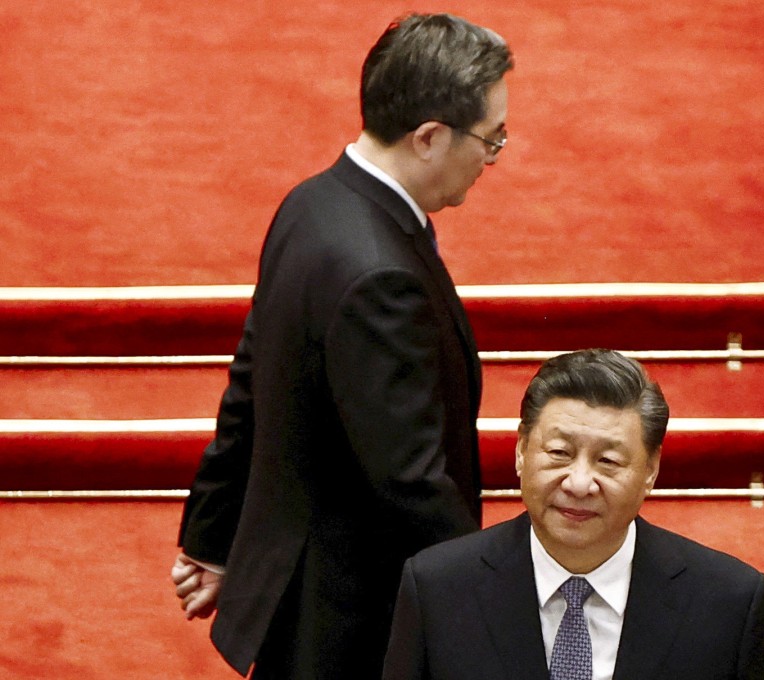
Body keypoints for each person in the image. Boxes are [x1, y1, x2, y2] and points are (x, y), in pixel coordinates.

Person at [169, 13, 513, 678]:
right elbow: (410, 481)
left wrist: (211, 538)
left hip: (308, 595)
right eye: (490, 138)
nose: (493, 157)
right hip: (352, 621)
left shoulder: (310, 204)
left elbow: (250, 380)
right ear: (429, 137)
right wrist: (485, 597)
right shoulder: (380, 275)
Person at [382, 349, 764, 680]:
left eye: (608, 461)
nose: (579, 483)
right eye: (559, 453)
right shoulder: (438, 588)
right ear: (521, 451)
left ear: (650, 470)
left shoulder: (729, 603)